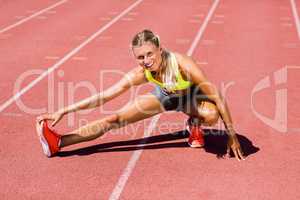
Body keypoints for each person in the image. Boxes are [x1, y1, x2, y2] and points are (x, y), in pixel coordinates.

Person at [36, 29, 245, 161]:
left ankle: (195, 125)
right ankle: (60, 142)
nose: (146, 60)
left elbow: (217, 96)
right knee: (113, 119)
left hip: (192, 99)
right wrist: (62, 110)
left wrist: (232, 136)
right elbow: (105, 96)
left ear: (160, 50)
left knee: (211, 114)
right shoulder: (141, 72)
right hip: (164, 97)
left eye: (149, 54)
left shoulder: (183, 64)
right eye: (140, 57)